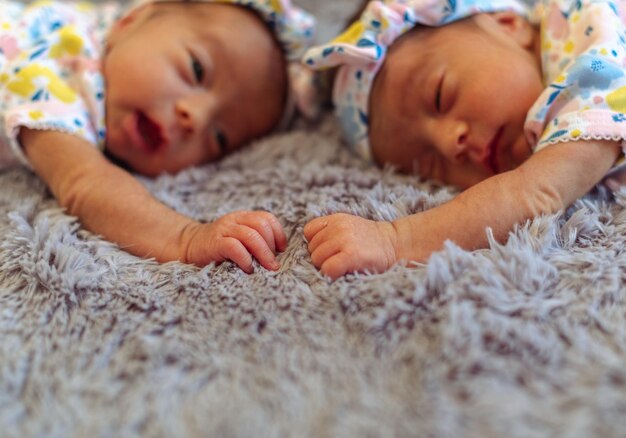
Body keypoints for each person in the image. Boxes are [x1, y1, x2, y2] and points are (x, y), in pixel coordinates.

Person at [301, 0, 626, 279]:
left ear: (509, 25)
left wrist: (396, 241)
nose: (448, 144)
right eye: (428, 163)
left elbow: (535, 193)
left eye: (440, 97)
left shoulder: (593, 52)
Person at [0, 0, 316, 273]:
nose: (197, 116)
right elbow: (84, 184)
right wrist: (185, 238)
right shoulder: (53, 78)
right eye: (196, 69)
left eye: (219, 137)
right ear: (130, 21)